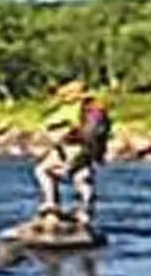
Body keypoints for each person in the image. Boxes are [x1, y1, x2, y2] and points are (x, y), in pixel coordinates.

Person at [34, 81, 112, 230]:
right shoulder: (98, 108)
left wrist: (59, 134)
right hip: (90, 150)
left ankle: (52, 206)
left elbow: (48, 125)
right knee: (82, 178)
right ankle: (86, 213)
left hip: (72, 147)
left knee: (43, 170)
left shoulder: (71, 108)